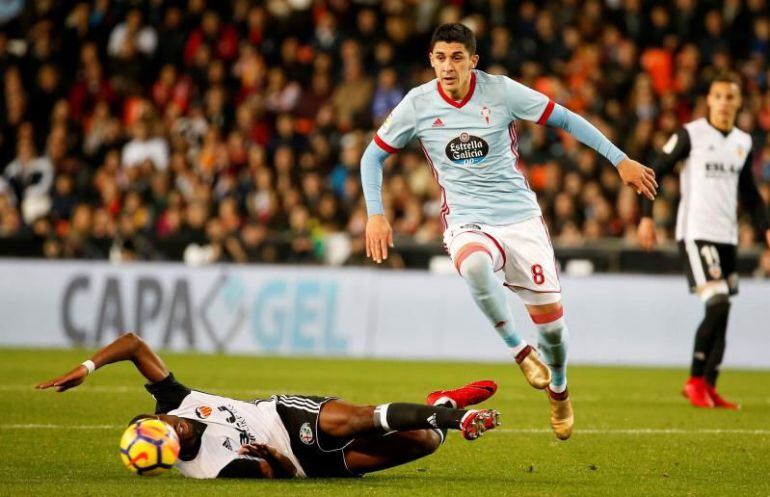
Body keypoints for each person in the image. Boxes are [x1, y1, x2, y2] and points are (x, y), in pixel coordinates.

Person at [360, 23, 657, 440]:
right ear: (431, 60)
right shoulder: (417, 104)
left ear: (473, 61)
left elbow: (567, 120)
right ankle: (519, 350)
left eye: (457, 58)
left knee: (553, 333)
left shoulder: (500, 91)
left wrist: (619, 159)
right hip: (466, 220)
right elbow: (371, 157)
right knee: (476, 266)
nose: (448, 67)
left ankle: (559, 389)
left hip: (520, 220)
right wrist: (376, 213)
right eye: (440, 58)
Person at [36, 332, 500, 479]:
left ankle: (461, 419)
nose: (176, 426)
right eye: (172, 437)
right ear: (168, 454)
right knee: (423, 443)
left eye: (167, 422)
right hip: (304, 464)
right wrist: (275, 460)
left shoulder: (177, 400)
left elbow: (135, 345)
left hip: (285, 416)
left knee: (361, 418)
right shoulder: (211, 469)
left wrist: (87, 366)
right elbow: (274, 474)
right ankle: (444, 404)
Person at [638, 73, 770, 410]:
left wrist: (765, 227)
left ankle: (710, 386)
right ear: (708, 101)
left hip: (727, 238)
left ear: (739, 103)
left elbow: (750, 194)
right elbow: (656, 170)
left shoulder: (742, 141)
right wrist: (646, 217)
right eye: (719, 96)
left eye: (731, 97)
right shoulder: (691, 135)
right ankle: (695, 379)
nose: (724, 103)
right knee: (719, 303)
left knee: (724, 312)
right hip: (696, 233)